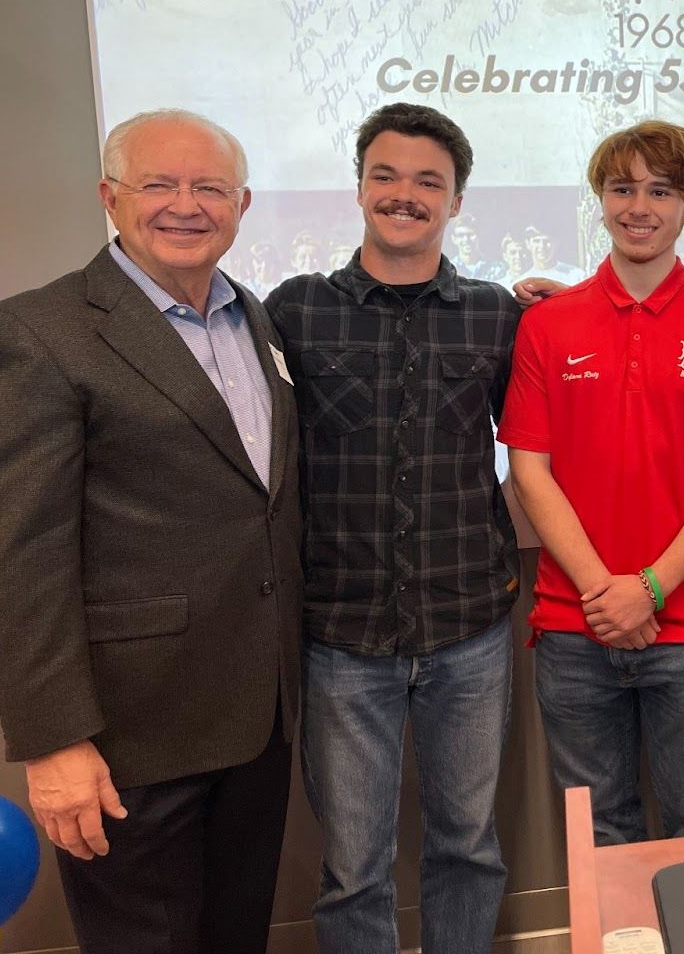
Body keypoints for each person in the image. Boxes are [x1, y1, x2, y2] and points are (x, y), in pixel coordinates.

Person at [0, 110, 301, 954]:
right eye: (158, 184)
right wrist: (52, 742)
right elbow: (17, 555)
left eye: (209, 188)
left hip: (256, 718)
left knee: (236, 936)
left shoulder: (254, 321)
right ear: (110, 199)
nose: (185, 206)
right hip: (128, 738)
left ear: (243, 203)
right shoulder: (36, 335)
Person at [266, 103, 520, 954]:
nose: (403, 194)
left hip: (469, 627)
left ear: (455, 201)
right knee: (353, 870)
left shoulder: (496, 315)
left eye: (427, 181)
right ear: (360, 186)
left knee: (468, 848)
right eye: (386, 175)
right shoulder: (291, 313)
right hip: (341, 635)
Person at [503, 121, 684, 846]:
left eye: (661, 190)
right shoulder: (547, 326)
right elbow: (530, 472)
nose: (639, 206)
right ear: (599, 198)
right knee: (600, 839)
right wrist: (607, 594)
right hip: (574, 626)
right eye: (622, 187)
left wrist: (649, 589)